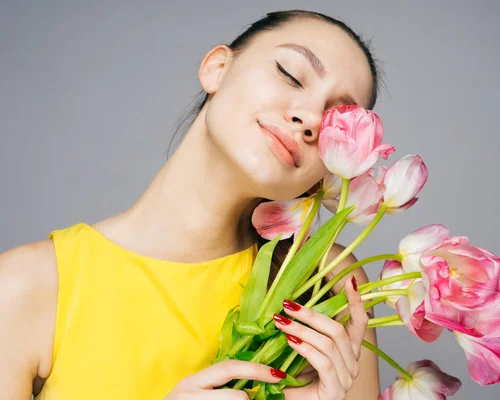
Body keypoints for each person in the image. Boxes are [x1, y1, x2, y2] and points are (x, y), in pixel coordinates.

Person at [0, 9, 383, 399]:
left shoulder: (327, 284)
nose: (312, 120)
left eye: (338, 120)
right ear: (217, 68)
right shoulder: (27, 285)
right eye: (291, 74)